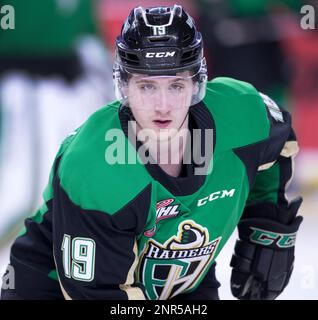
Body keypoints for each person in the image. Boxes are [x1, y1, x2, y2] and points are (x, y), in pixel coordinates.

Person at [1, 4, 303, 300]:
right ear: (125, 86)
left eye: (176, 85)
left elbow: (277, 143)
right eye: (146, 86)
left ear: (197, 83)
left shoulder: (240, 113)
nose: (162, 105)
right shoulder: (94, 167)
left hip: (178, 284)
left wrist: (266, 217)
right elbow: (96, 294)